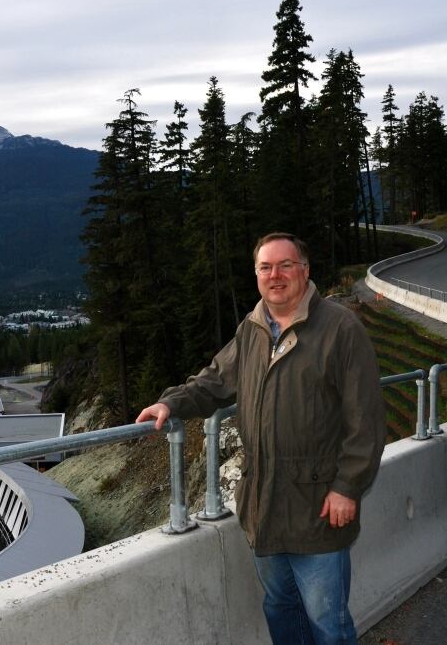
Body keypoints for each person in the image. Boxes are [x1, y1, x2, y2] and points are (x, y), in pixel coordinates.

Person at [135, 232, 386, 645]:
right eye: (266, 267)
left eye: (286, 265)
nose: (276, 275)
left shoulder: (340, 329)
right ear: (256, 276)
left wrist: (347, 487)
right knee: (281, 608)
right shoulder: (252, 329)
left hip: (318, 505)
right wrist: (172, 403)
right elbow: (214, 380)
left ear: (304, 271)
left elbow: (366, 417)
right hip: (264, 503)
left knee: (327, 620)